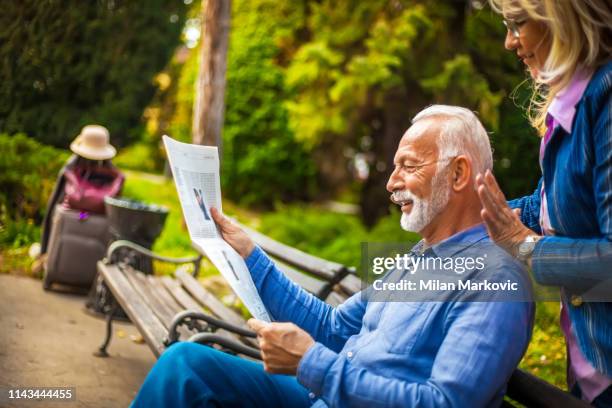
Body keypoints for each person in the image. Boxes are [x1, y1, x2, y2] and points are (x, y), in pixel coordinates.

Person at [131, 105, 534, 408]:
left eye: (408, 166)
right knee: (186, 365)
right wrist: (249, 254)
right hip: (323, 396)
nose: (392, 183)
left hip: (328, 392)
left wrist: (313, 364)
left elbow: (443, 403)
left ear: (459, 174)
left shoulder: (496, 280)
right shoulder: (421, 257)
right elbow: (334, 326)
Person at [476, 0, 612, 405]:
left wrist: (525, 247)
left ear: (564, 19)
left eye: (518, 24)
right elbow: (548, 208)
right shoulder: (572, 101)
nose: (508, 42)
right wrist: (461, 221)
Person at [40, 125, 123, 255]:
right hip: (97, 229)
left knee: (80, 215)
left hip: (75, 219)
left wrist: (44, 249)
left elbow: (54, 205)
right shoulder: (113, 176)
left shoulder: (71, 170)